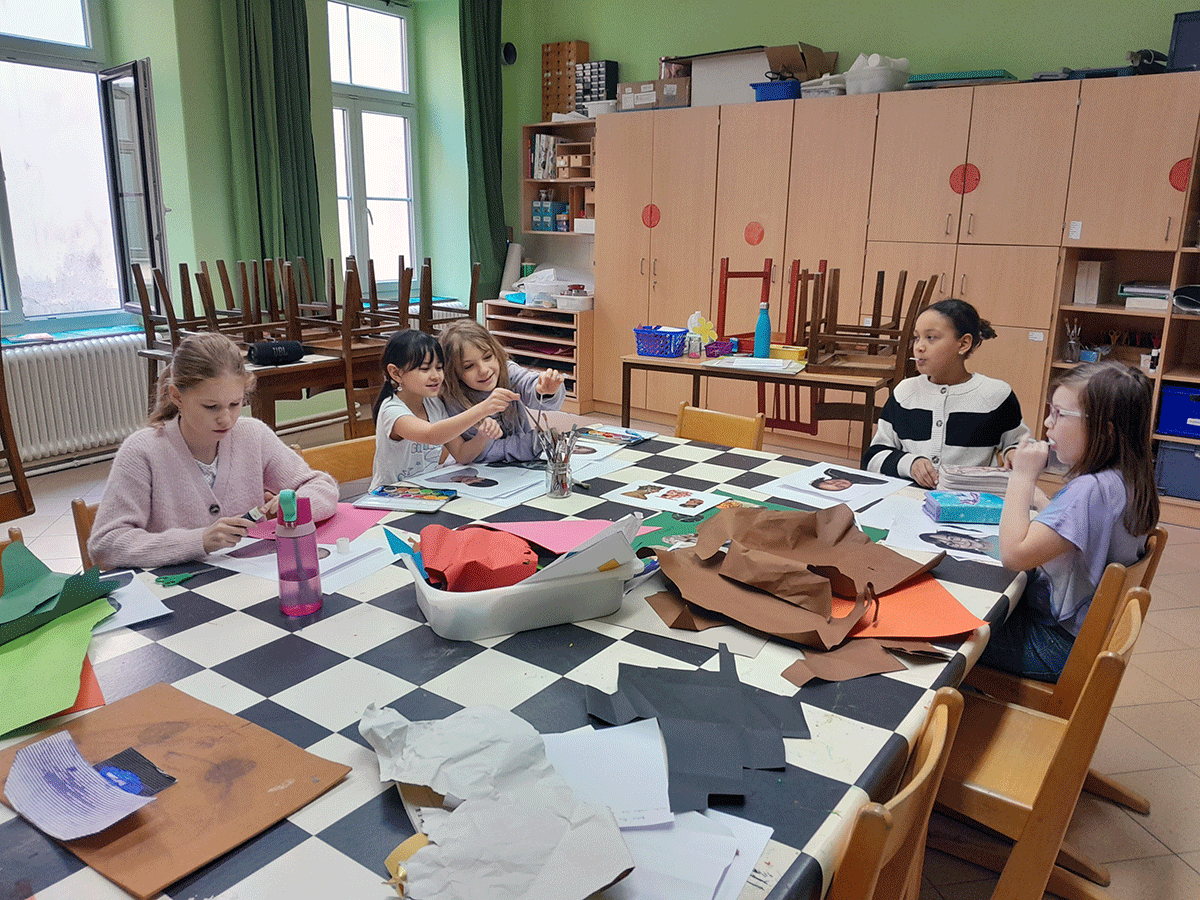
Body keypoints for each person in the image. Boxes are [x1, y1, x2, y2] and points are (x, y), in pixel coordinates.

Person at [89, 333, 338, 569]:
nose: (226, 419)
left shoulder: (253, 434)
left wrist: (295, 505)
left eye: (235, 404)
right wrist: (198, 541)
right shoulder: (142, 451)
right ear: (176, 396)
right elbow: (105, 544)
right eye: (211, 406)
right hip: (179, 588)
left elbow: (321, 487)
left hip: (252, 579)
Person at [979, 361, 1158, 681]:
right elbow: (1081, 532)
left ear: (1105, 429)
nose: (1047, 423)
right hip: (1082, 639)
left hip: (1053, 645)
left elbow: (1014, 555)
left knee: (960, 631)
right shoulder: (1127, 480)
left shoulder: (1089, 490)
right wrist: (1040, 500)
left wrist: (1021, 478)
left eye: (1060, 414)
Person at [862, 298, 1031, 488]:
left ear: (964, 343)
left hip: (970, 500)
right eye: (917, 338)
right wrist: (909, 464)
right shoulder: (904, 393)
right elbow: (873, 458)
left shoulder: (996, 395)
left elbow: (1023, 446)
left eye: (931, 337)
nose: (919, 347)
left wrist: (1014, 453)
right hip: (911, 498)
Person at [370, 330, 518, 490]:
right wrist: (482, 409)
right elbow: (431, 435)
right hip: (389, 495)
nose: (436, 376)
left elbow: (461, 454)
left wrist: (482, 437)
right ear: (396, 373)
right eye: (425, 369)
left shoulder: (434, 404)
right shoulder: (391, 410)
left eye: (439, 368)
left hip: (424, 493)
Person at [439, 320, 565, 463]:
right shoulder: (455, 400)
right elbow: (482, 453)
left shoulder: (507, 371)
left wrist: (546, 389)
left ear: (497, 353)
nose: (483, 370)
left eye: (487, 357)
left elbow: (529, 384)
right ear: (453, 372)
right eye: (469, 366)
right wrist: (531, 444)